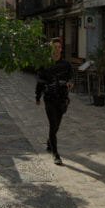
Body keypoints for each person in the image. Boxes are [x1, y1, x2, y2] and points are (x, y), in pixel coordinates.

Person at [35, 37, 73, 165]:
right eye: (54, 47)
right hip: (49, 98)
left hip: (62, 98)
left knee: (57, 125)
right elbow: (39, 82)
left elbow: (71, 78)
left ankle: (49, 142)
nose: (56, 50)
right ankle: (56, 154)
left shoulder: (66, 64)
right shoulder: (44, 64)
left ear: (61, 49)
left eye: (58, 47)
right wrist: (37, 96)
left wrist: (70, 83)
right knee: (53, 124)